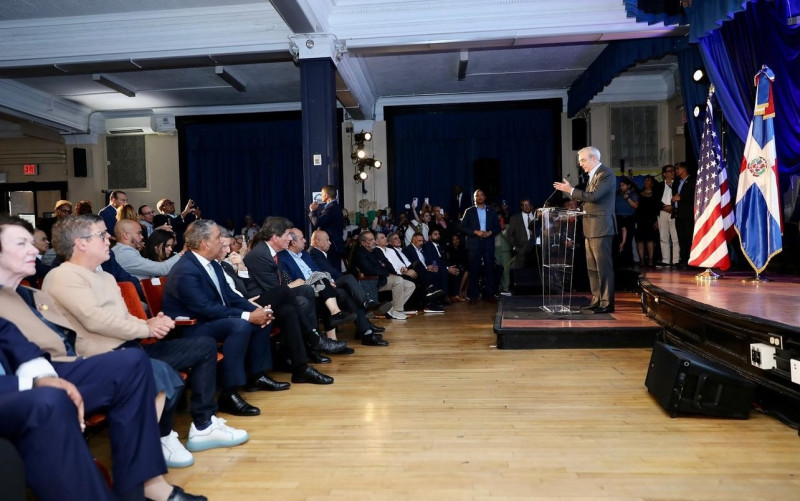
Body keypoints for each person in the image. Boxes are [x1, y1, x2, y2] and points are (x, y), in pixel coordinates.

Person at [0, 216, 205, 501]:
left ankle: (144, 484)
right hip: (45, 375)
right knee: (135, 364)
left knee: (135, 364)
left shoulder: (31, 294)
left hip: (67, 366)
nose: (35, 249)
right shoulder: (58, 278)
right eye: (22, 243)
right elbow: (88, 325)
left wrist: (146, 325)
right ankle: (156, 467)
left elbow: (60, 341)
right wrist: (145, 327)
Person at [41, 215, 248, 468]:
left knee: (203, 346)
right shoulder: (63, 276)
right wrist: (145, 327)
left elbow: (123, 317)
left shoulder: (105, 276)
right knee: (162, 372)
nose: (110, 240)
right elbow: (95, 320)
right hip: (102, 359)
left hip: (130, 348)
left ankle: (203, 425)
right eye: (102, 235)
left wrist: (152, 324)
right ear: (80, 243)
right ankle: (162, 435)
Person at [161, 219, 287, 416]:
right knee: (240, 326)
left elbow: (230, 296)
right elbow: (204, 308)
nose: (222, 240)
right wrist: (247, 316)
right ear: (205, 243)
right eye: (218, 237)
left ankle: (257, 376)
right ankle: (229, 393)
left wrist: (258, 311)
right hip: (191, 326)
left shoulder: (213, 265)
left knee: (262, 321)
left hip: (211, 320)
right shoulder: (186, 269)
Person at [554, 146, 616, 313]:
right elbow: (590, 201)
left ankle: (606, 303)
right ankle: (596, 300)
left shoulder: (606, 174)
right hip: (590, 227)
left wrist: (570, 190)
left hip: (601, 227)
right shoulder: (592, 175)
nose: (580, 164)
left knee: (603, 267)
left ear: (594, 158)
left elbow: (594, 197)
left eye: (582, 160)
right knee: (592, 269)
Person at [351, 231, 415, 320]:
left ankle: (390, 309)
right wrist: (384, 270)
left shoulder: (376, 250)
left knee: (410, 285)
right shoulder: (360, 253)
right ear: (363, 243)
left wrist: (390, 271)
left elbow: (387, 264)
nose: (373, 241)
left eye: (373, 239)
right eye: (370, 240)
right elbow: (369, 270)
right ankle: (397, 311)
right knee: (398, 280)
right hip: (371, 282)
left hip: (383, 277)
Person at [460, 189, 501, 303]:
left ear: (485, 197)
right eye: (477, 196)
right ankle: (473, 296)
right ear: (474, 199)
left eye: (482, 195)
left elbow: (498, 227)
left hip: (488, 241)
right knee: (474, 269)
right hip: (474, 242)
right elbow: (462, 227)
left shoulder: (492, 211)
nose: (480, 197)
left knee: (489, 268)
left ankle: (490, 295)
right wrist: (475, 231)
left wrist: (491, 232)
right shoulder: (469, 211)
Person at [113, 219, 182, 279]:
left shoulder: (123, 251)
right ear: (126, 235)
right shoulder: (124, 253)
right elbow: (162, 269)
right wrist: (182, 253)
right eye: (139, 233)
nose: (142, 237)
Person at [309, 185, 344, 271]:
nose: (321, 196)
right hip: (333, 244)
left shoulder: (331, 208)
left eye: (322, 194)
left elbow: (317, 222)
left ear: (326, 195)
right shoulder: (334, 207)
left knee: (332, 269)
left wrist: (312, 211)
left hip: (332, 246)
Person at [633, 175, 661, 267]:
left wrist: (657, 220)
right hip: (640, 218)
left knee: (650, 240)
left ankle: (651, 260)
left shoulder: (656, 194)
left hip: (651, 219)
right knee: (640, 240)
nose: (646, 182)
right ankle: (642, 260)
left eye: (648, 180)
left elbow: (657, 207)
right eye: (645, 180)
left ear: (652, 183)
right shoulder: (640, 192)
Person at [672, 161, 695, 268]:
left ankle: (690, 260)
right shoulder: (677, 182)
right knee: (681, 238)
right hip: (678, 214)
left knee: (688, 237)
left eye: (677, 169)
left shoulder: (692, 181)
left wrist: (681, 198)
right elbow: (675, 196)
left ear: (683, 169)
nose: (676, 171)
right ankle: (683, 259)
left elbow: (694, 197)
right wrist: (674, 200)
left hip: (688, 214)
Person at [655, 164, 679, 266]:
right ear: (664, 174)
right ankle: (665, 260)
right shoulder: (659, 185)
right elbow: (655, 199)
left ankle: (676, 260)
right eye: (670, 171)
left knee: (675, 237)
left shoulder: (677, 184)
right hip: (662, 212)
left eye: (673, 170)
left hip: (674, 212)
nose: (672, 172)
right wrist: (664, 207)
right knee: (663, 237)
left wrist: (672, 207)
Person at [506, 199, 535, 270]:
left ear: (531, 206)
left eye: (527, 205)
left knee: (535, 274)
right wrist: (515, 248)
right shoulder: (514, 219)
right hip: (521, 251)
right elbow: (510, 235)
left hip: (535, 250)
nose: (526, 207)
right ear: (521, 207)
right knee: (521, 275)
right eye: (524, 205)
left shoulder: (537, 216)